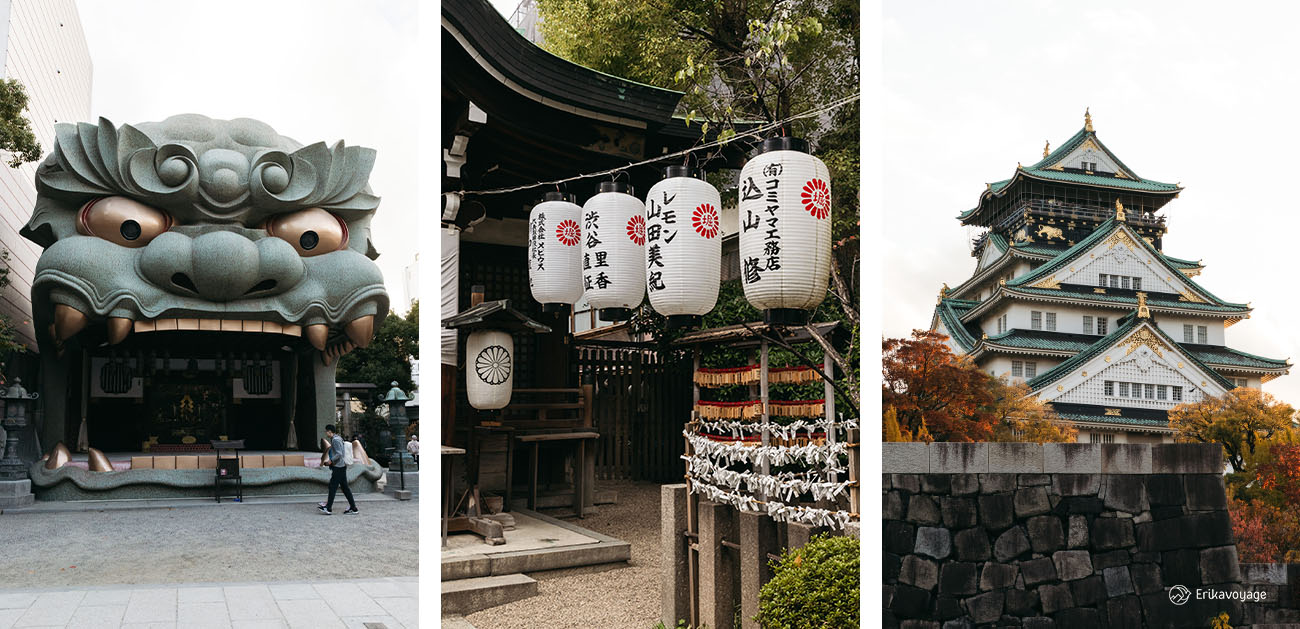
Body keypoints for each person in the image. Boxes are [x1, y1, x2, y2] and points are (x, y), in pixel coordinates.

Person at [318, 424, 358, 515]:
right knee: (344, 488)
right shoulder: (337, 438)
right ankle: (353, 508)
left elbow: (339, 453)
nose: (326, 433)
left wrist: (330, 461)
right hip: (341, 466)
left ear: (329, 431)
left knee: (333, 487)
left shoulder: (336, 440)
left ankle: (328, 508)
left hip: (338, 467)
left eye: (326, 431)